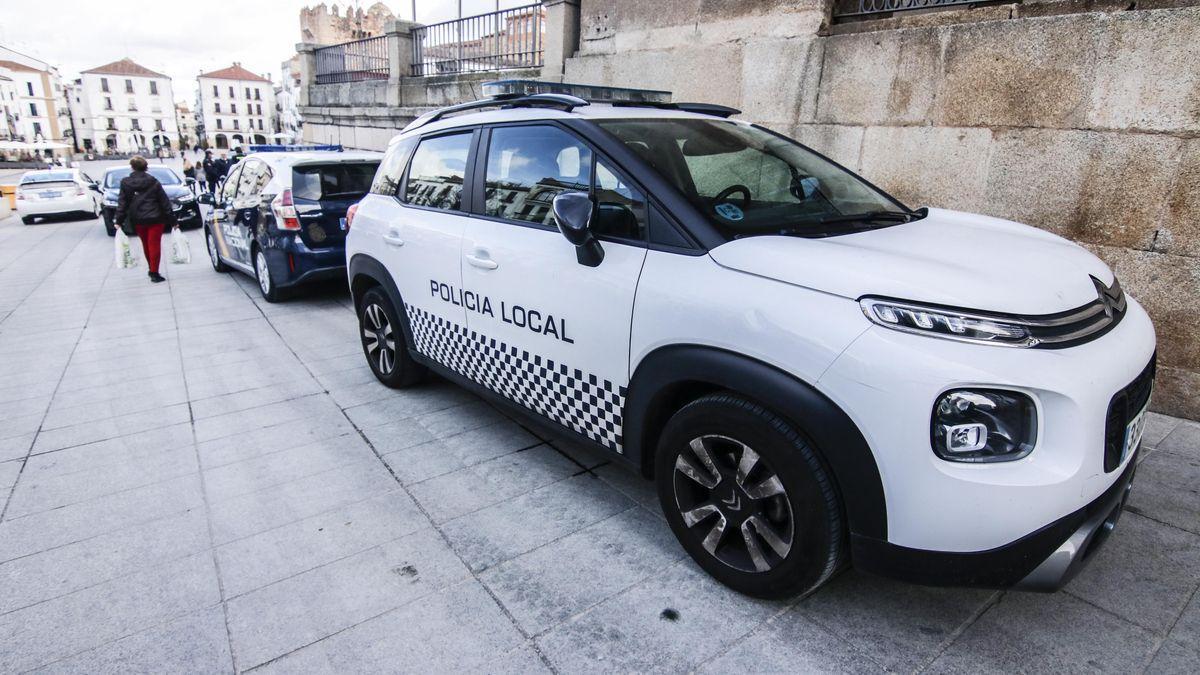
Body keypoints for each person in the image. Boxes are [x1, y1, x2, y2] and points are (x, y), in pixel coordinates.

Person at [114, 155, 178, 284]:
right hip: (155, 217)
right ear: (146, 167)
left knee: (145, 244)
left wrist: (118, 220)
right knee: (154, 244)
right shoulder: (153, 181)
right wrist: (173, 221)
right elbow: (164, 202)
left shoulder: (125, 183)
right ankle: (154, 272)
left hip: (137, 219)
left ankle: (151, 268)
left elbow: (123, 203)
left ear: (132, 167)